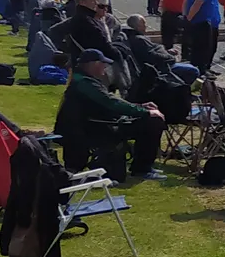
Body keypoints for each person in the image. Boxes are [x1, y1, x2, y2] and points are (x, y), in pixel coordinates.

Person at [53, 48, 165, 177]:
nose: (105, 67)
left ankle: (142, 167)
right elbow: (111, 103)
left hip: (96, 124)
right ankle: (142, 169)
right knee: (153, 122)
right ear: (93, 64)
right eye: (103, 63)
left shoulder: (82, 79)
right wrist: (145, 112)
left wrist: (140, 106)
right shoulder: (84, 82)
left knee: (149, 119)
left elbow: (109, 101)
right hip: (95, 129)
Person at [182, 0, 223, 73]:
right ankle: (202, 71)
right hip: (202, 22)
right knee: (204, 48)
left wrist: (185, 15)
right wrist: (188, 19)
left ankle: (203, 69)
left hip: (201, 21)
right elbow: (197, 4)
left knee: (199, 48)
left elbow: (186, 1)